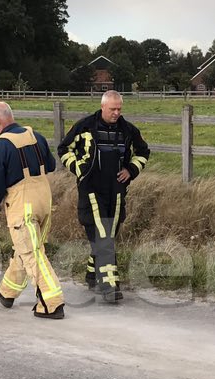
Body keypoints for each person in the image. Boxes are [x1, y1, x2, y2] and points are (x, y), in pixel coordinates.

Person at [58, 90, 150, 303]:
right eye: (112, 109)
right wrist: (80, 168)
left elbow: (143, 152)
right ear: (103, 107)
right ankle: (110, 287)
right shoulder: (85, 126)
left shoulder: (128, 130)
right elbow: (64, 149)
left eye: (119, 109)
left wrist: (131, 170)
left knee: (109, 234)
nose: (116, 113)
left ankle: (92, 274)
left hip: (117, 192)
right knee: (103, 236)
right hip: (91, 190)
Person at [0, 101, 66, 319]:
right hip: (44, 199)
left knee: (32, 253)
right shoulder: (35, 135)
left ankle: (52, 303)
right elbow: (50, 165)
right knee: (27, 248)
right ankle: (6, 292)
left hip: (22, 204)